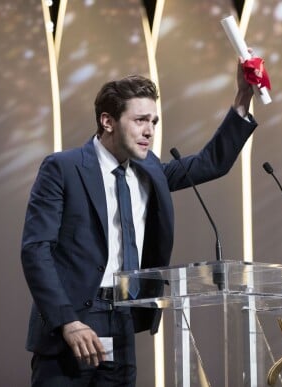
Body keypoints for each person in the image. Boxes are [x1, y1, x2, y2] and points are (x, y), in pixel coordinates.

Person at [21, 54, 257, 386]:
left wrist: (243, 97)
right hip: (72, 325)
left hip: (121, 318)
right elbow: (36, 250)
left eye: (154, 122)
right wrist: (67, 322)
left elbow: (211, 162)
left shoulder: (150, 171)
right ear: (108, 121)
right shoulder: (63, 168)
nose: (149, 131)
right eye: (140, 120)